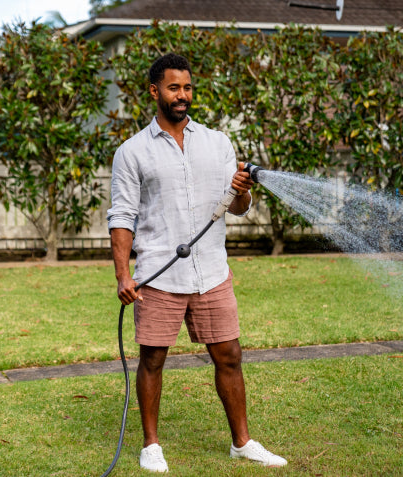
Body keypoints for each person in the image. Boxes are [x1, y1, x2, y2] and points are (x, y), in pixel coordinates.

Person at [107, 53, 287, 472]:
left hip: (211, 271)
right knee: (152, 358)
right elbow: (121, 218)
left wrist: (241, 189)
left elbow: (238, 206)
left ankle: (242, 443)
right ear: (155, 91)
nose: (182, 95)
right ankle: (151, 445)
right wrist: (122, 274)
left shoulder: (217, 142)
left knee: (229, 355)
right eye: (174, 88)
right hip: (159, 273)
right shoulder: (131, 152)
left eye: (187, 87)